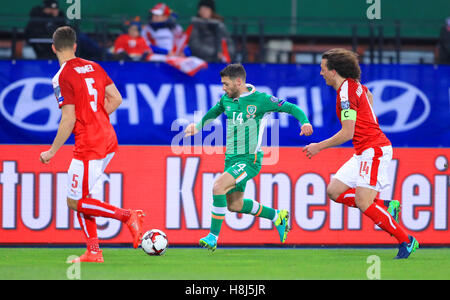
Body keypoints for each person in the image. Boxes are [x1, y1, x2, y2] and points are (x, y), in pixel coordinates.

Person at [40, 26, 146, 263]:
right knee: (84, 198)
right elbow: (116, 98)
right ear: (75, 46)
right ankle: (94, 251)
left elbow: (67, 120)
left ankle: (128, 216)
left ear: (54, 48)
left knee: (75, 201)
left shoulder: (61, 76)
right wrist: (97, 118)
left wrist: (52, 151)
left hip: (89, 143)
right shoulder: (95, 67)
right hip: (108, 137)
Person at [303, 48, 419, 259]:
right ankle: (385, 205)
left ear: (334, 71)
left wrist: (318, 146)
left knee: (363, 202)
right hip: (364, 150)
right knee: (334, 191)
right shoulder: (354, 87)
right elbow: (369, 96)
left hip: (373, 150)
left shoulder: (346, 93)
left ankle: (406, 240)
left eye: (323, 69)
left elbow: (348, 132)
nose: (321, 73)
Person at [184, 63, 313, 251]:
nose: (223, 88)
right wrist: (198, 125)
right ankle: (277, 216)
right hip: (231, 159)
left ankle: (212, 237)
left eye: (226, 84)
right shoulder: (226, 99)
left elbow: (292, 108)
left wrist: (305, 122)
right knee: (235, 205)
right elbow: (214, 112)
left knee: (218, 186)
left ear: (239, 82)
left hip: (249, 160)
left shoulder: (261, 99)